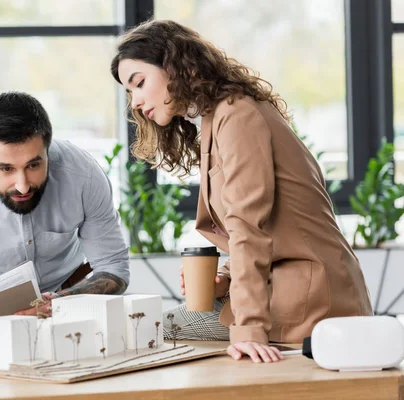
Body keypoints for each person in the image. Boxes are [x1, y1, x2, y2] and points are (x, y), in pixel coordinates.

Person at [111, 20, 372, 363]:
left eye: (139, 83)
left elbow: (249, 226)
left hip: (309, 297)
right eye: (129, 92)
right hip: (284, 287)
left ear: (174, 66)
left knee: (159, 327)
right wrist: (225, 278)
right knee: (161, 328)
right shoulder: (219, 116)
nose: (135, 102)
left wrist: (248, 329)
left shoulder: (237, 115)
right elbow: (272, 224)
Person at [0, 92, 130, 347]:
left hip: (70, 303)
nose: (22, 186)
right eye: (6, 169)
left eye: (33, 165)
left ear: (47, 151)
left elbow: (114, 267)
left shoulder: (83, 175)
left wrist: (59, 304)